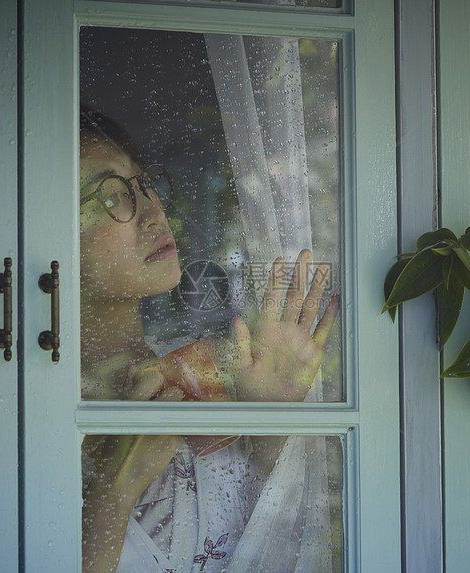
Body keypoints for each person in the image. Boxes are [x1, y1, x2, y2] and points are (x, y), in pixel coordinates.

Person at [78, 108, 340, 572]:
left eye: (144, 185)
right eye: (113, 196)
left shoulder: (220, 369)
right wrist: (114, 494)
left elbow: (291, 544)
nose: (154, 211)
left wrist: (270, 430)